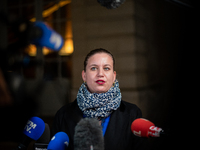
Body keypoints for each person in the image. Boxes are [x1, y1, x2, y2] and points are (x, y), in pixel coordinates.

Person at [51, 48, 147, 150]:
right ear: (84, 75)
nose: (100, 74)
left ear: (114, 76)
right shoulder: (63, 115)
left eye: (106, 68)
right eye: (93, 68)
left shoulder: (132, 114)